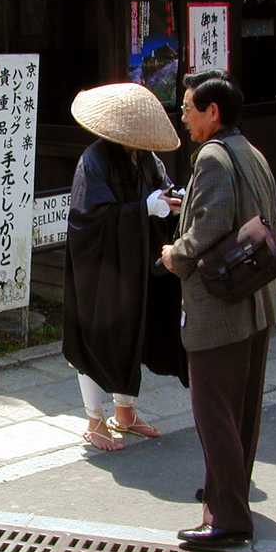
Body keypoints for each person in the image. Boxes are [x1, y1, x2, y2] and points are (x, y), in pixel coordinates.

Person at [160, 69, 276, 547]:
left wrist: (175, 254)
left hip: (220, 308)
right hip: (255, 302)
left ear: (213, 112)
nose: (183, 117)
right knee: (241, 409)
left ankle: (228, 519)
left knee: (215, 412)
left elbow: (207, 229)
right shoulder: (250, 151)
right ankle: (228, 491)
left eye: (189, 108)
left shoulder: (211, 157)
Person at [64, 82, 189, 451]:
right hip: (100, 270)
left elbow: (160, 188)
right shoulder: (93, 161)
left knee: (134, 334)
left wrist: (171, 201)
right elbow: (89, 221)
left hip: (137, 264)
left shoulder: (148, 158)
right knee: (97, 338)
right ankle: (94, 419)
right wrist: (142, 210)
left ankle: (126, 413)